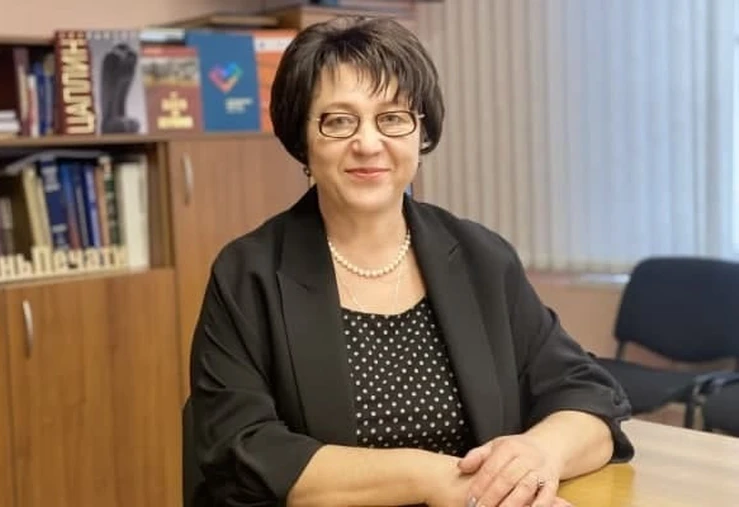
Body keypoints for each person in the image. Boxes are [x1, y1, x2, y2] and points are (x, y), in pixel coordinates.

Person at [189, 15, 633, 507]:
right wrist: (437, 479)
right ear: (303, 141)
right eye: (339, 121)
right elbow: (241, 450)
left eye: (393, 118)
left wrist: (538, 454)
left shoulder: (480, 257)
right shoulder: (247, 275)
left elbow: (589, 395)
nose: (368, 143)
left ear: (421, 134)